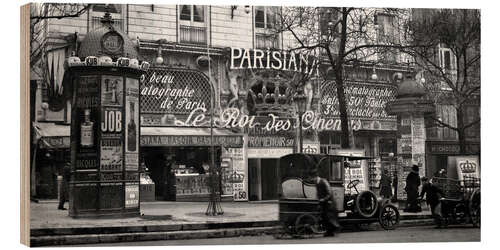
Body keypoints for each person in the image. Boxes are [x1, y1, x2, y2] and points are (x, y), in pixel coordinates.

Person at [311, 170, 340, 237]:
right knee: (324, 217)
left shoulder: (323, 181)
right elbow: (318, 193)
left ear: (315, 177)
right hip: (323, 202)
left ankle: (332, 231)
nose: (312, 180)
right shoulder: (317, 183)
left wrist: (324, 199)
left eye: (313, 178)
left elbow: (329, 193)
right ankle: (329, 232)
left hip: (329, 202)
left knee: (329, 217)